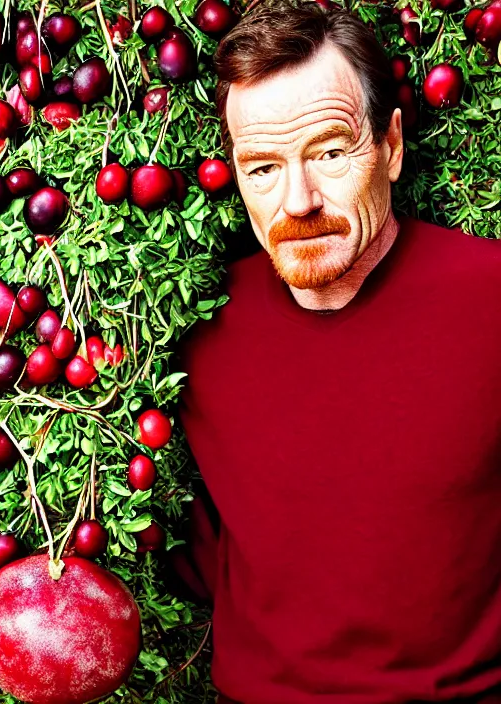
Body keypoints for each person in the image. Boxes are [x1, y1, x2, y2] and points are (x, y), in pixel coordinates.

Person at [175, 1, 501, 702]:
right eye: (262, 168)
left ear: (389, 146)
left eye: (328, 151)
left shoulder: (492, 298)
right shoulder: (196, 328)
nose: (297, 200)